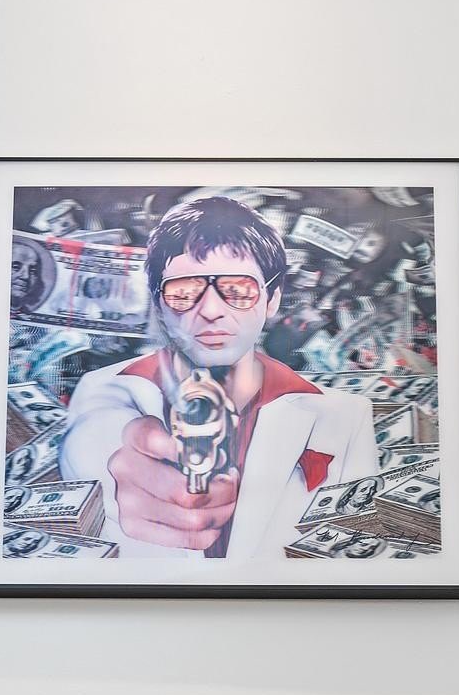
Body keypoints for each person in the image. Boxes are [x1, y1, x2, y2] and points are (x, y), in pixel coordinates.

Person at [57, 195, 378, 557]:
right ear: (159, 303)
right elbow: (93, 436)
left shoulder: (346, 417)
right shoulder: (104, 389)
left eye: (238, 290)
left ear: (272, 298)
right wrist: (116, 462)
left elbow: (357, 548)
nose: (210, 309)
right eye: (184, 292)